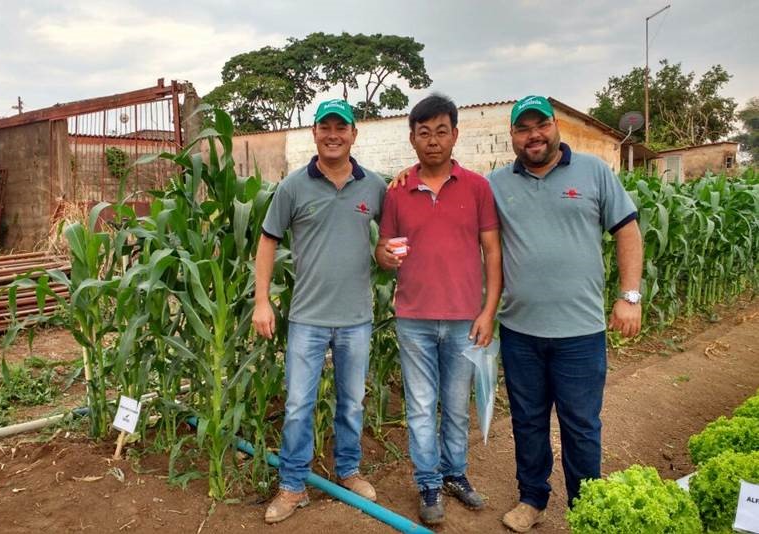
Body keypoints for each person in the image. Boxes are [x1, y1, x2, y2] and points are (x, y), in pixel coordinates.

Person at [487, 96, 644, 532]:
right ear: (513, 136)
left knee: (580, 425)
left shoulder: (594, 171)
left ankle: (585, 504)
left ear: (555, 127)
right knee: (528, 421)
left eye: (540, 125)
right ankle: (532, 498)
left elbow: (627, 231)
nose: (533, 135)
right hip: (520, 330)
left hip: (580, 331)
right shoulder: (497, 183)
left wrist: (629, 296)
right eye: (523, 128)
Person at [253, 98, 387, 524]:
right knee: (298, 404)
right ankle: (292, 484)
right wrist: (261, 301)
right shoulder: (293, 186)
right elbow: (268, 240)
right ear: (314, 132)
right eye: (325, 127)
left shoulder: (374, 186)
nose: (333, 134)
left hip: (356, 317)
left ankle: (348, 471)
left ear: (353, 134)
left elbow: (392, 237)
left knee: (351, 402)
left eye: (341, 127)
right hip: (307, 317)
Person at [375, 94, 502, 526]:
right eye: (424, 133)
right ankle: (428, 482)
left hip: (465, 317)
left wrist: (488, 311)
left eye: (441, 132)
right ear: (412, 138)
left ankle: (455, 474)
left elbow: (492, 251)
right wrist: (385, 257)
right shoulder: (398, 192)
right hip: (414, 319)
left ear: (455, 135)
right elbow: (383, 248)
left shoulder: (477, 188)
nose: (433, 141)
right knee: (421, 405)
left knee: (455, 403)